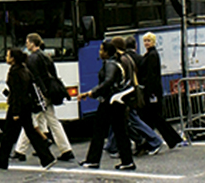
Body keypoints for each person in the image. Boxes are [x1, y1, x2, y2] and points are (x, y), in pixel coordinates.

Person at [0, 47, 55, 170]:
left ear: (13, 59)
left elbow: (17, 93)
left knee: (8, 135)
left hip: (17, 107)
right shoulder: (24, 69)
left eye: (8, 55)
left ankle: (1, 161)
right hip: (26, 105)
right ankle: (47, 158)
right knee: (30, 132)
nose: (6, 58)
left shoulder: (14, 72)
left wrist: (15, 112)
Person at [11, 33, 72, 162]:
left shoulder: (32, 59)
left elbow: (34, 78)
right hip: (49, 92)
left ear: (33, 43)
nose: (26, 44)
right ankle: (66, 149)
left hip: (40, 93)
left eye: (27, 42)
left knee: (31, 120)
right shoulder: (46, 56)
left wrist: (38, 93)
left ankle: (20, 151)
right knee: (52, 121)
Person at [79, 40, 135, 171]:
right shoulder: (115, 63)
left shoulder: (110, 65)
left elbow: (108, 81)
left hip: (109, 101)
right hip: (116, 101)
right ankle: (127, 161)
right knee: (120, 131)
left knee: (99, 130)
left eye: (101, 50)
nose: (99, 52)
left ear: (106, 52)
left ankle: (93, 159)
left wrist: (92, 92)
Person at [137, 32, 184, 149]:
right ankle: (163, 140)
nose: (146, 43)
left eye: (149, 41)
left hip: (151, 92)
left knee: (155, 118)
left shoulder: (152, 55)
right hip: (152, 91)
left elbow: (151, 76)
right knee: (153, 118)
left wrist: (150, 92)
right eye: (145, 41)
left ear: (153, 42)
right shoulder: (149, 54)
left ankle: (170, 139)